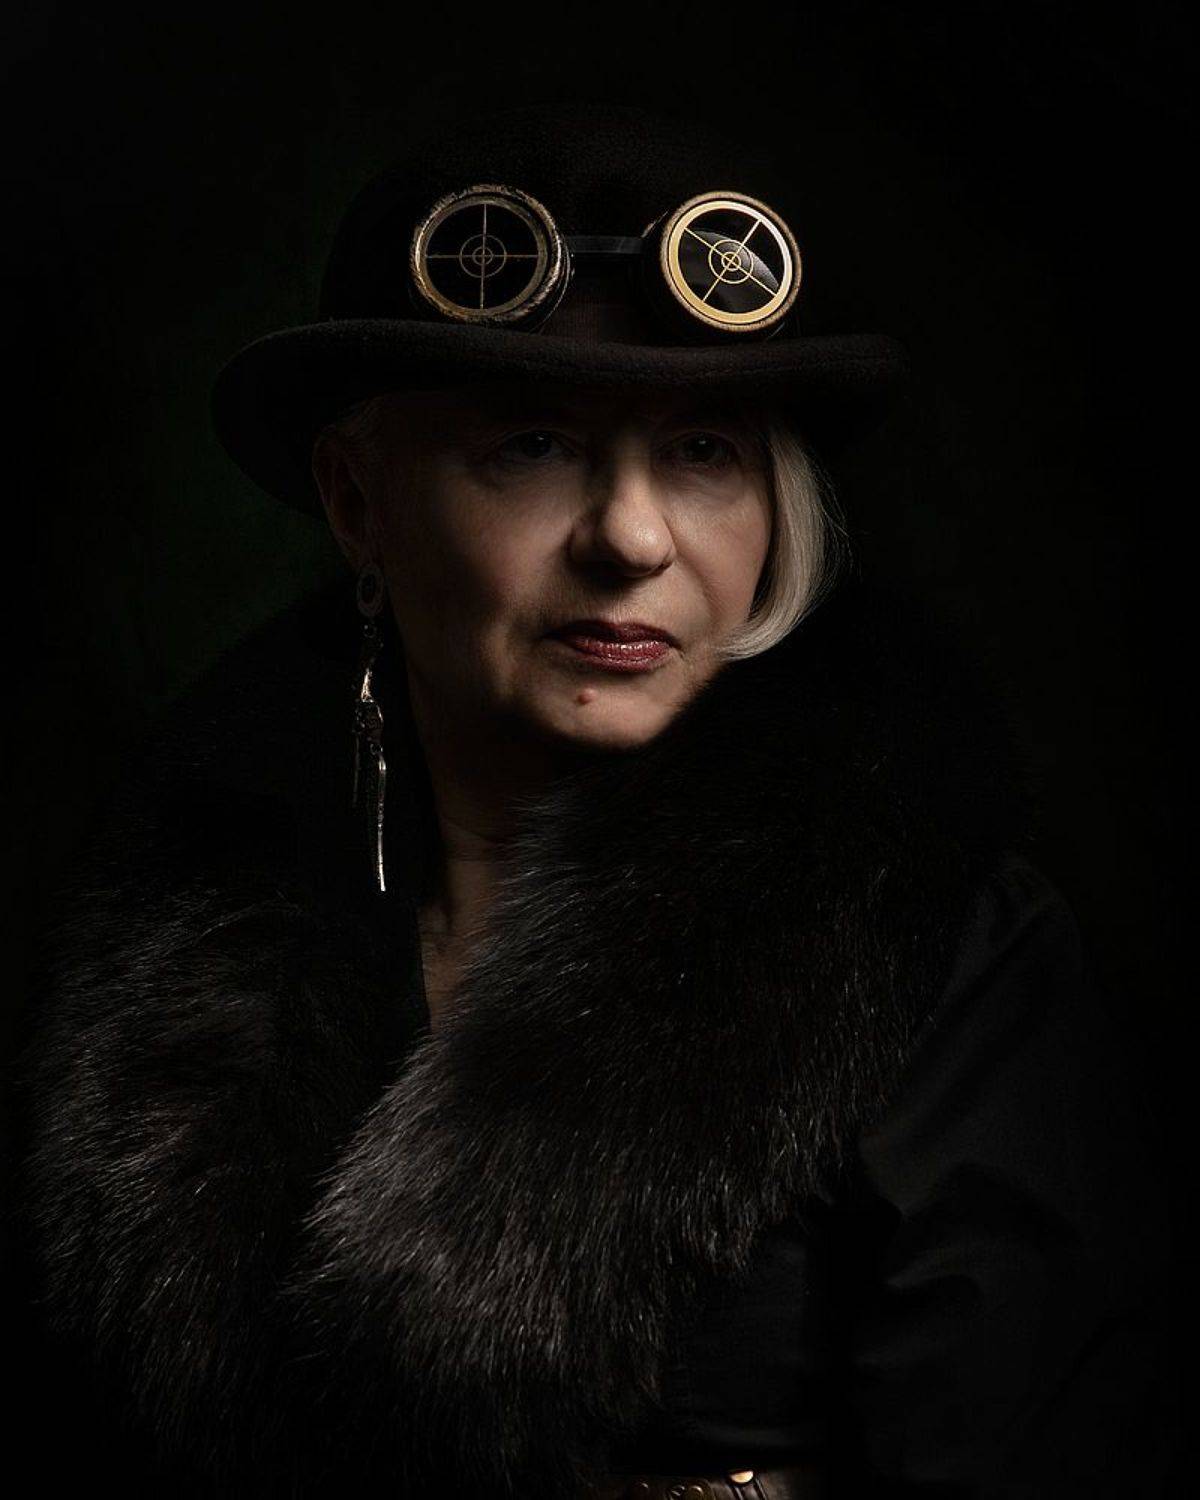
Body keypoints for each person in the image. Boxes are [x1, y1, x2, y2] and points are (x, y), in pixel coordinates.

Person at [6, 103, 1172, 1498]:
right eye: (532, 444)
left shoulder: (948, 950)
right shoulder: (163, 943)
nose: (630, 536)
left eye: (705, 451)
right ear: (358, 500)